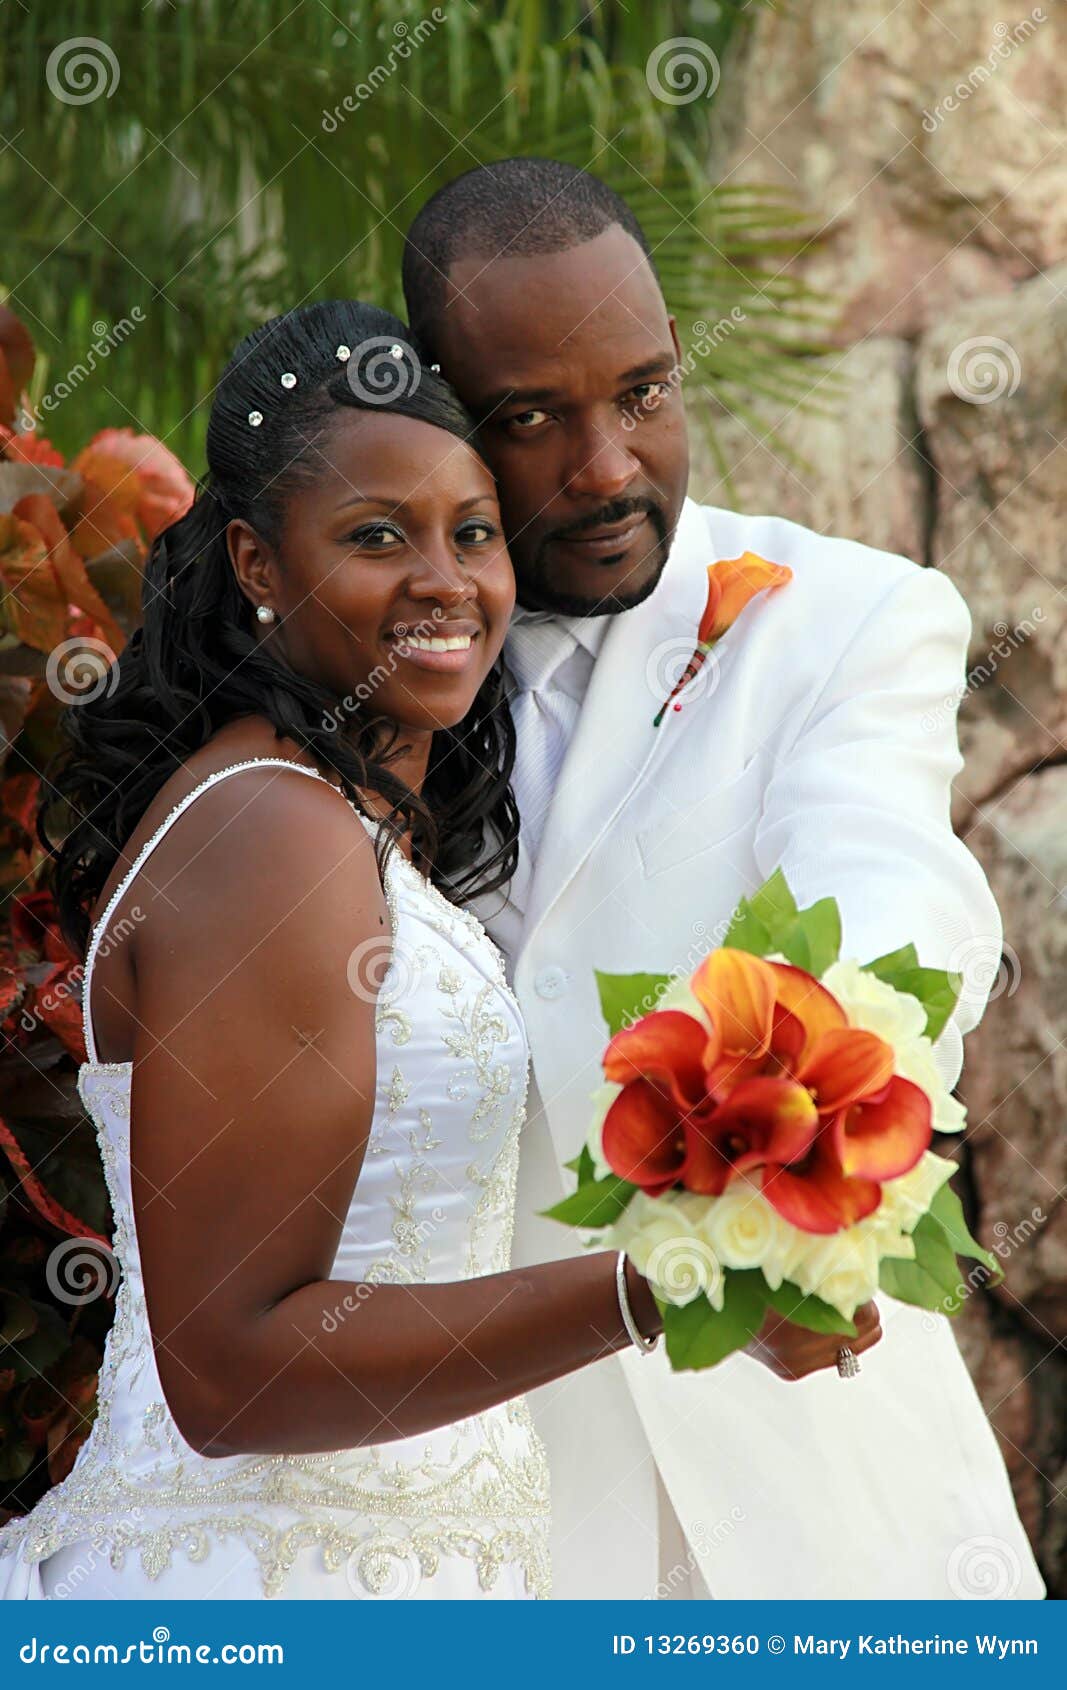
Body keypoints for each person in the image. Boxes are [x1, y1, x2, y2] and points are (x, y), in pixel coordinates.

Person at [0, 297, 821, 1603]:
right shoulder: (272, 833)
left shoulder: (345, 827)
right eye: (378, 536)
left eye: (476, 532)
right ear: (261, 566)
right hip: (255, 1591)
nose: (449, 581)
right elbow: (234, 1367)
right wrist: (656, 1284)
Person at [401, 157, 1046, 1602]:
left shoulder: (844, 617)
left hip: (815, 1495)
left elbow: (897, 897)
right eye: (533, 418)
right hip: (489, 1514)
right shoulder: (370, 666)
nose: (611, 462)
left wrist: (798, 1168)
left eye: (642, 391)